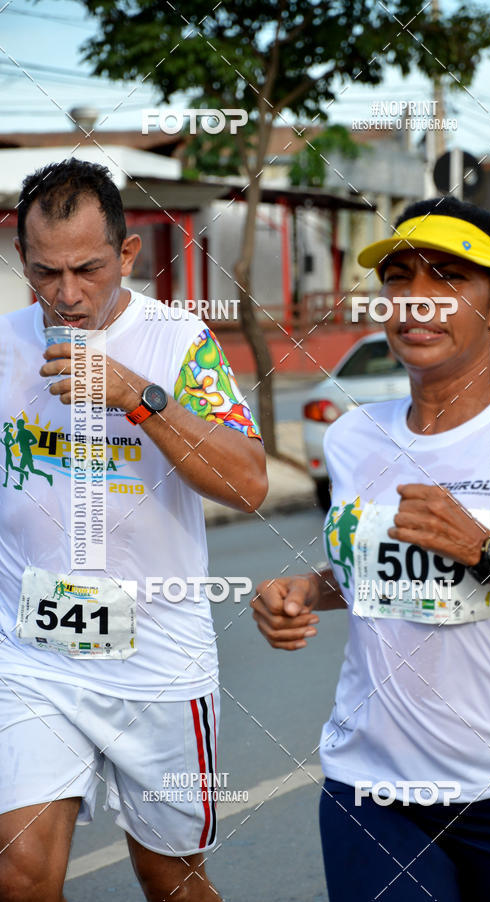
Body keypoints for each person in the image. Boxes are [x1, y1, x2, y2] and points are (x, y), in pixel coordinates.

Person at [252, 196, 490, 901]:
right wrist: (302, 590)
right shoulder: (353, 437)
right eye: (399, 278)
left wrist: (487, 552)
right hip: (371, 791)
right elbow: (380, 570)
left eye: (446, 278)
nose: (415, 300)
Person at [0, 158, 267, 902]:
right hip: (31, 661)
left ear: (127, 255)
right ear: (22, 257)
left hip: (158, 667)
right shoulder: (3, 346)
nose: (66, 294)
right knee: (19, 873)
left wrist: (136, 397)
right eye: (46, 272)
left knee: (169, 879)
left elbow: (248, 484)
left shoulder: (179, 343)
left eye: (87, 269)